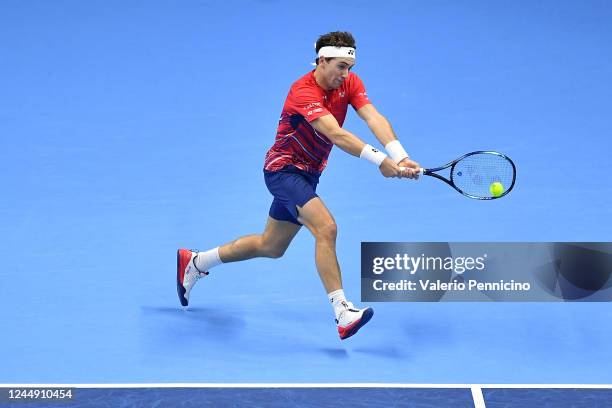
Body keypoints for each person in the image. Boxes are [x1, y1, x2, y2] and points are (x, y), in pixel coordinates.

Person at [177, 31, 420, 340]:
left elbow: (373, 117)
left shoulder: (350, 84)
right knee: (326, 228)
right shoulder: (302, 91)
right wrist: (380, 161)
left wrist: (401, 156)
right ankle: (342, 312)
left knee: (271, 246)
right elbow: (336, 134)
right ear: (322, 60)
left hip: (309, 174)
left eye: (350, 67)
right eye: (340, 66)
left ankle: (196, 261)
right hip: (283, 171)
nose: (345, 75)